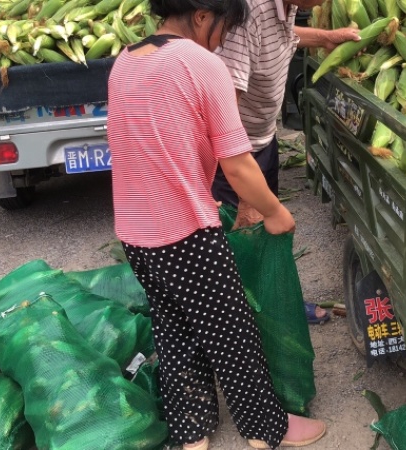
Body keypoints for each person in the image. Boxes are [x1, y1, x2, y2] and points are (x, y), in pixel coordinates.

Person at [106, 1, 327, 449]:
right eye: (224, 28)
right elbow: (239, 165)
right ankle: (267, 431)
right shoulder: (201, 63)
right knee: (233, 334)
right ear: (203, 15)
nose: (223, 41)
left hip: (135, 233)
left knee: (175, 331)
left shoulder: (124, 62)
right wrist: (275, 212)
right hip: (185, 230)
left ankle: (193, 434)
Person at [213, 0, 361, 325]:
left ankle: (278, 306)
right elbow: (224, 113)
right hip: (234, 156)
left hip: (262, 140)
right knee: (238, 243)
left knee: (269, 234)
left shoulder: (284, 7)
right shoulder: (247, 14)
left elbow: (281, 36)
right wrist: (244, 195)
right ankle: (241, 326)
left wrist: (324, 37)